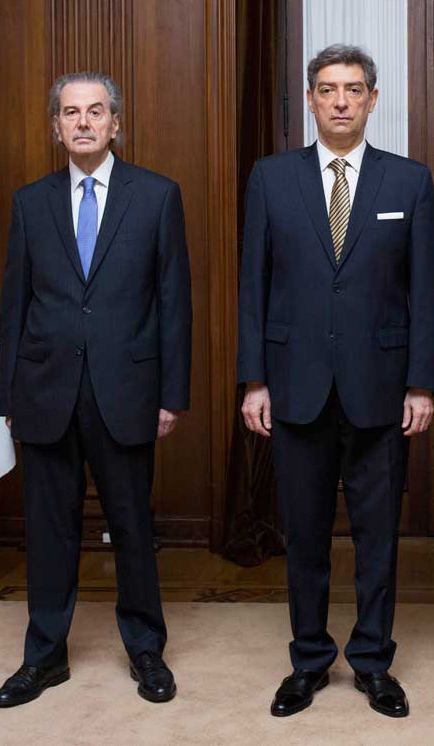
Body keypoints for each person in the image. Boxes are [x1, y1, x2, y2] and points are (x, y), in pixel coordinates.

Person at [238, 44, 434, 718]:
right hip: (294, 385)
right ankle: (309, 660)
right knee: (306, 534)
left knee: (377, 536)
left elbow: (424, 292)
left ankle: (374, 663)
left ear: (373, 100)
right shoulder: (271, 178)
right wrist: (253, 381)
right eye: (329, 89)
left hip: (382, 388)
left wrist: (421, 384)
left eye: (354, 89)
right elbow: (253, 290)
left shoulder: (408, 180)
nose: (342, 100)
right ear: (310, 98)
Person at [0, 72, 192, 707]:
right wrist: (5, 400)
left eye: (96, 111)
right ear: (56, 126)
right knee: (48, 530)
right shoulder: (30, 203)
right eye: (71, 113)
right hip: (44, 390)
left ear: (116, 123)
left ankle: (145, 650)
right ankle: (44, 657)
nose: (83, 122)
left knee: (132, 526)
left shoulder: (158, 196)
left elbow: (173, 303)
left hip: (127, 388)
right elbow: (14, 304)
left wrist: (172, 392)